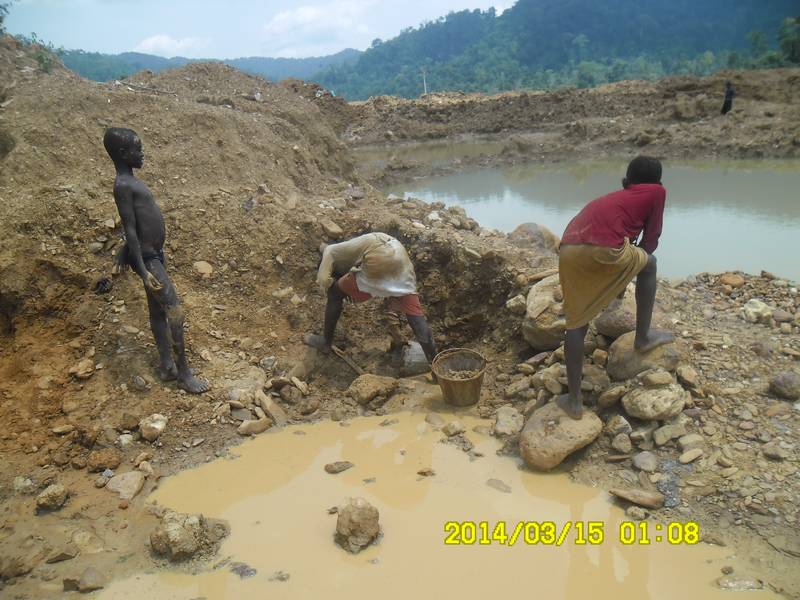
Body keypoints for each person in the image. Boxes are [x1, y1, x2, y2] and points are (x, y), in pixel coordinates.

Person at [556, 156, 674, 419]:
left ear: (628, 179)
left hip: (568, 247)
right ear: (657, 180)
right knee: (650, 264)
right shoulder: (656, 191)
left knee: (575, 323)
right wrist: (638, 263)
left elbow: (619, 239)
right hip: (603, 247)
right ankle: (643, 337)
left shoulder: (618, 198)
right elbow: (651, 238)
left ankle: (574, 401)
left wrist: (622, 278)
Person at [102, 127, 209, 393]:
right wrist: (141, 267)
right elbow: (130, 229)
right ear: (124, 153)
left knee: (156, 312)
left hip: (154, 256)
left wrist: (126, 252)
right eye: (138, 148)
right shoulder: (123, 185)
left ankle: (166, 366)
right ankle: (184, 373)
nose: (142, 152)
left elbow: (137, 226)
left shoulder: (131, 181)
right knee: (174, 309)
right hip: (149, 261)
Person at [304, 232, 438, 365]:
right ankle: (435, 363)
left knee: (334, 293)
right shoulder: (356, 246)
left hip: (379, 261)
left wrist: (333, 285)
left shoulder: (331, 251)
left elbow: (323, 277)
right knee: (415, 317)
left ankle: (325, 342)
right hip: (400, 259)